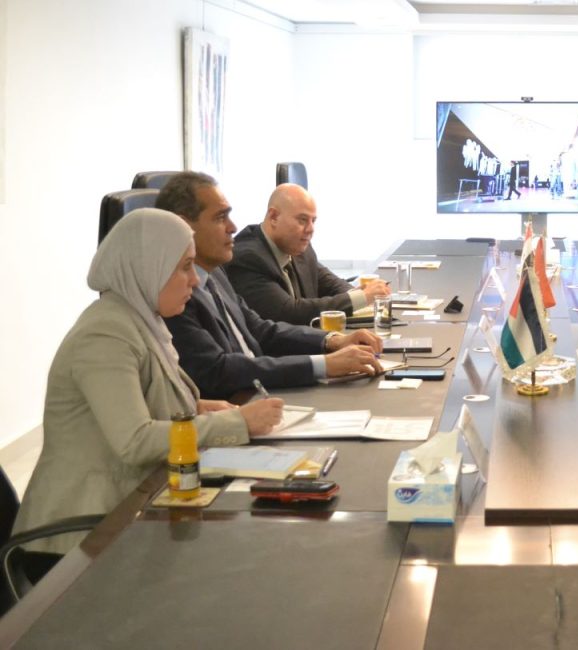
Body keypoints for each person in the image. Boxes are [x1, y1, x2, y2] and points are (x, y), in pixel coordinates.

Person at [13, 209, 285, 558]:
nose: (195, 281)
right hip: (79, 539)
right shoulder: (105, 334)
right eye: (184, 267)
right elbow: (135, 440)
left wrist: (199, 408)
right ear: (148, 266)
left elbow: (145, 400)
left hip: (132, 508)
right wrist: (237, 422)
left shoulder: (143, 319)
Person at [157, 172, 383, 399]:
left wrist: (332, 341)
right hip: (238, 404)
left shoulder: (214, 273)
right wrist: (324, 364)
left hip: (265, 393)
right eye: (220, 218)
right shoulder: (173, 294)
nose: (232, 227)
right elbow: (218, 371)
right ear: (183, 226)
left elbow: (260, 330)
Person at [225, 183, 390, 325]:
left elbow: (330, 283)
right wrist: (363, 296)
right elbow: (289, 312)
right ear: (274, 217)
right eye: (302, 220)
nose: (311, 229)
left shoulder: (298, 245)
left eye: (313, 221)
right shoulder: (247, 258)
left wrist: (364, 296)